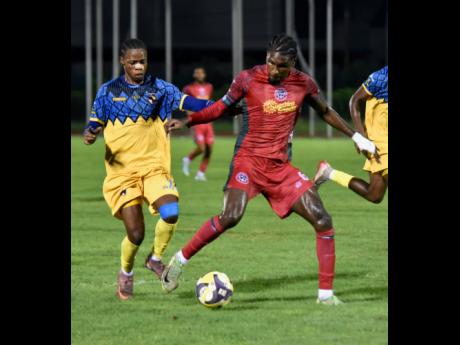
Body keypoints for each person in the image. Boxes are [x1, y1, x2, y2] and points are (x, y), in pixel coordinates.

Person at [161, 34, 378, 305]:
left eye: (281, 65)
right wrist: (189, 121)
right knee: (231, 216)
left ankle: (325, 296)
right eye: (270, 63)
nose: (274, 70)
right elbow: (221, 108)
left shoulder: (303, 83)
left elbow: (324, 111)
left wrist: (355, 136)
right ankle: (179, 261)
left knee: (322, 219)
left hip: (279, 167)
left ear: (293, 63)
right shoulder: (247, 79)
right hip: (248, 161)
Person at [83, 38, 224, 300]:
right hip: (122, 174)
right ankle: (125, 273)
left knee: (171, 212)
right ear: (123, 62)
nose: (139, 66)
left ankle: (155, 259)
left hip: (154, 167)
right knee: (136, 234)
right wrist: (90, 133)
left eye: (143, 61)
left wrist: (225, 105)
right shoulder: (107, 91)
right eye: (133, 61)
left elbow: (194, 104)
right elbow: (93, 124)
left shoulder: (160, 88)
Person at [313, 66, 388, 203]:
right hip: (380, 143)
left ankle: (328, 173)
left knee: (374, 194)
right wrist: (360, 136)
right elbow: (354, 101)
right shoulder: (382, 77)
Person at [182, 67, 215, 181]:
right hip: (198, 122)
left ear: (204, 75)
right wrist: (191, 118)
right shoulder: (189, 88)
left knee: (209, 148)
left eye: (202, 73)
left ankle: (200, 174)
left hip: (208, 122)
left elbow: (209, 103)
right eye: (198, 73)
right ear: (194, 75)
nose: (200, 75)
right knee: (201, 148)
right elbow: (184, 103)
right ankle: (187, 159)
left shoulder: (209, 87)